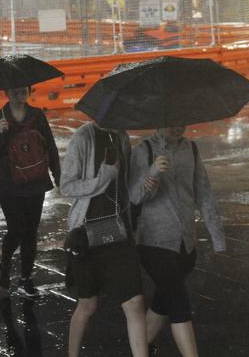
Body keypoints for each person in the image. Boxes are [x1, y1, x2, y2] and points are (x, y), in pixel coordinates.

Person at [129, 127, 226, 357]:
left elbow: (203, 192)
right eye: (172, 121)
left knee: (163, 301)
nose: (178, 126)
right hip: (154, 243)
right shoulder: (144, 150)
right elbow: (134, 196)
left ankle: (139, 349)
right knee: (178, 303)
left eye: (182, 120)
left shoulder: (190, 148)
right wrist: (153, 172)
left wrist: (217, 236)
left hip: (185, 244)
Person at [60, 121, 148, 357]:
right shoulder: (83, 137)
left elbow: (126, 186)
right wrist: (103, 178)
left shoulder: (121, 135)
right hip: (88, 233)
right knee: (88, 304)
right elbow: (66, 186)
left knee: (135, 303)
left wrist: (146, 183)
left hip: (119, 231)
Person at [0, 86, 61, 297]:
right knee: (17, 229)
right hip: (10, 184)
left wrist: (57, 173)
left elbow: (50, 146)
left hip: (35, 181)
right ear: (7, 93)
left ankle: (26, 277)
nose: (19, 95)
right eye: (15, 91)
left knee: (31, 231)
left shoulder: (37, 116)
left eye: (23, 91)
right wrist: (0, 134)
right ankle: (5, 263)